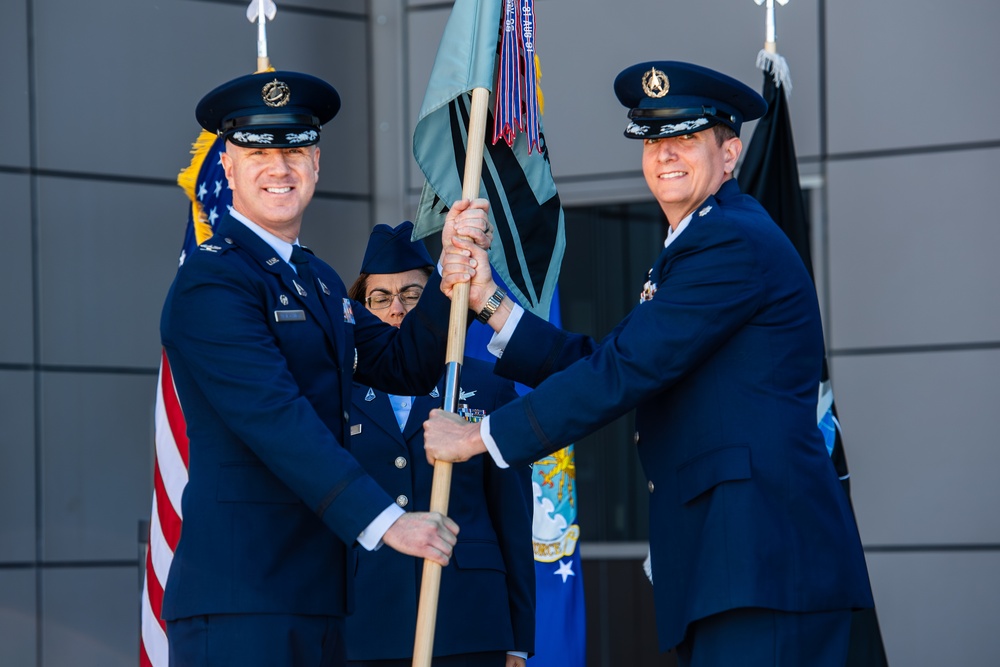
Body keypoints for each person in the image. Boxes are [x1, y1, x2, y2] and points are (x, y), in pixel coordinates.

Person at [424, 61, 875, 666]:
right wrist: (491, 304)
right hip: (736, 566)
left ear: (731, 153)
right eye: (654, 140)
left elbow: (622, 372)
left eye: (686, 139)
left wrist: (480, 437)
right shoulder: (695, 244)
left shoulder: (729, 241)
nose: (666, 155)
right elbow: (615, 362)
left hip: (762, 562)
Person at [159, 70, 490, 667]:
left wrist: (447, 275)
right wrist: (386, 521)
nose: (279, 167)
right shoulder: (214, 279)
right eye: (257, 151)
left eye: (294, 149)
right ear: (227, 168)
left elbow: (402, 364)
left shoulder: (315, 279)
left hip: (320, 596)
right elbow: (274, 417)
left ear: (316, 163)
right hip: (243, 599)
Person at [342, 221, 534, 667]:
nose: (396, 309)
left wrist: (518, 638)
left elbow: (513, 513)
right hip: (366, 623)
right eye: (380, 298)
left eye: (411, 295)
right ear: (360, 307)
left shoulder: (486, 387)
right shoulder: (338, 394)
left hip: (468, 620)